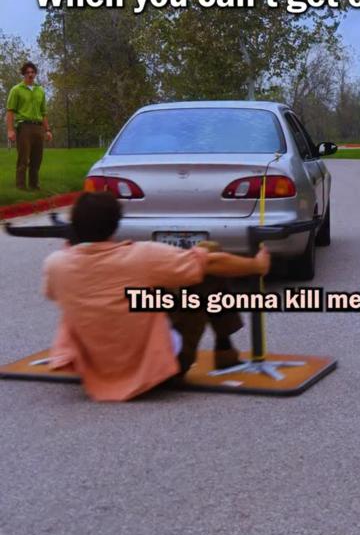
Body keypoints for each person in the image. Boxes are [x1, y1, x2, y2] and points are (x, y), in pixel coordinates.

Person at [43, 192, 270, 402]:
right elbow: (210, 262)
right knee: (208, 253)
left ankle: (225, 348)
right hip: (160, 370)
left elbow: (56, 293)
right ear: (115, 224)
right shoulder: (141, 256)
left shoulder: (56, 264)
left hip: (97, 370)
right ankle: (224, 346)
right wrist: (256, 265)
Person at [6, 61, 52, 190]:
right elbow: (10, 111)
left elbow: (44, 113)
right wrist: (10, 130)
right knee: (24, 159)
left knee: (37, 159)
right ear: (23, 74)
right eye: (27, 72)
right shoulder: (16, 90)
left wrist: (47, 130)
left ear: (35, 74)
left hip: (38, 127)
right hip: (24, 127)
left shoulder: (40, 90)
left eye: (32, 72)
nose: (30, 74)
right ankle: (21, 186)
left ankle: (34, 185)